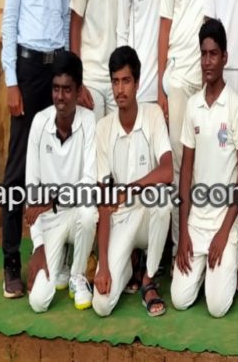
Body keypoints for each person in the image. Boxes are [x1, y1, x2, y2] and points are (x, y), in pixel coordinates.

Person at [1, 0, 70, 299]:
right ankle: (11, 261)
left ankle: (52, 253)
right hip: (26, 71)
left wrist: (67, 75)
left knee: (54, 163)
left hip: (54, 70)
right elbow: (9, 19)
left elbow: (63, 19)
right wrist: (11, 82)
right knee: (17, 169)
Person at [172, 19, 238, 318]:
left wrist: (224, 231)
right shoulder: (192, 106)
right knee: (179, 299)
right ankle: (206, 269)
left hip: (224, 223)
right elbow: (186, 172)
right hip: (196, 223)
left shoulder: (235, 106)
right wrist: (183, 233)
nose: (207, 61)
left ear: (224, 57)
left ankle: (236, 246)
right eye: (203, 54)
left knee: (217, 307)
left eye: (213, 54)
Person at [158, 0, 220, 246]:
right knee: (180, 160)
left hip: (207, 76)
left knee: (207, 159)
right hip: (179, 75)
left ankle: (202, 237)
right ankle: (178, 242)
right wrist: (160, 87)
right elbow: (164, 25)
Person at [92, 46, 173, 317]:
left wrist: (130, 189)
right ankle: (127, 265)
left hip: (148, 216)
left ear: (137, 83)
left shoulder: (153, 115)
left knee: (163, 200)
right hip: (120, 220)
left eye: (126, 81)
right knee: (101, 305)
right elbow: (105, 202)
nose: (120, 89)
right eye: (115, 81)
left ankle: (148, 279)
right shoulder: (103, 128)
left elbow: (167, 171)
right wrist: (103, 265)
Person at [23, 52, 98, 312]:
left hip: (76, 213)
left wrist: (53, 200)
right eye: (56, 89)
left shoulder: (89, 121)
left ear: (78, 91)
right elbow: (32, 193)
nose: (60, 97)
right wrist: (38, 245)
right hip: (50, 221)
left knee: (89, 213)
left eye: (67, 89)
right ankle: (61, 258)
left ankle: (78, 274)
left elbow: (90, 182)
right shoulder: (39, 123)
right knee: (38, 302)